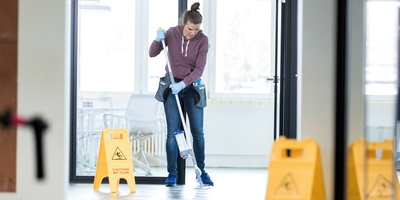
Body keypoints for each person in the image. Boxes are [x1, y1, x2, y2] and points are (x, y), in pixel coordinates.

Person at [148, 2, 213, 186]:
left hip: (192, 88)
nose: (193, 32)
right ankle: (172, 174)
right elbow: (152, 53)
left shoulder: (203, 40)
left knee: (197, 133)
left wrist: (184, 84)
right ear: (183, 24)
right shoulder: (171, 33)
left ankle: (202, 171)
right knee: (172, 133)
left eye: (196, 29)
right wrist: (157, 39)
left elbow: (199, 69)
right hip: (171, 86)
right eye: (190, 29)